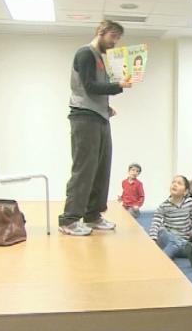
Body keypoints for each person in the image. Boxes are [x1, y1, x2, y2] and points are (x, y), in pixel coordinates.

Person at [58, 20, 133, 236]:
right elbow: (90, 86)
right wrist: (119, 86)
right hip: (84, 117)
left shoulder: (102, 59)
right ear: (100, 32)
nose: (114, 42)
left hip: (99, 117)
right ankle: (69, 219)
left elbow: (96, 90)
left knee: (101, 168)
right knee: (84, 169)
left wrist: (106, 108)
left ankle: (92, 215)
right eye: (112, 36)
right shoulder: (85, 53)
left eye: (118, 38)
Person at [148, 175, 192, 259]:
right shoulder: (164, 206)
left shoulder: (190, 203)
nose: (175, 184)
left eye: (179, 183)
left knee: (191, 248)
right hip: (167, 237)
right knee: (162, 231)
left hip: (182, 241)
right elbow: (155, 224)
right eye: (173, 182)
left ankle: (171, 253)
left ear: (185, 191)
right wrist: (153, 239)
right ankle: (164, 258)